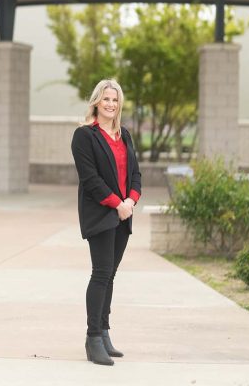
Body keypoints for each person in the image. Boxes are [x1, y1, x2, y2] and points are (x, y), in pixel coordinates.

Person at [71, 78, 142, 366]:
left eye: (115, 100)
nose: (111, 104)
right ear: (96, 102)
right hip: (101, 214)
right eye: (106, 99)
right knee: (101, 273)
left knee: (110, 274)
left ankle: (104, 332)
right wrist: (117, 204)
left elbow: (135, 174)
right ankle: (92, 338)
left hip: (123, 214)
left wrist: (131, 201)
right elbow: (91, 181)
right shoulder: (84, 135)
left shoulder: (124, 135)